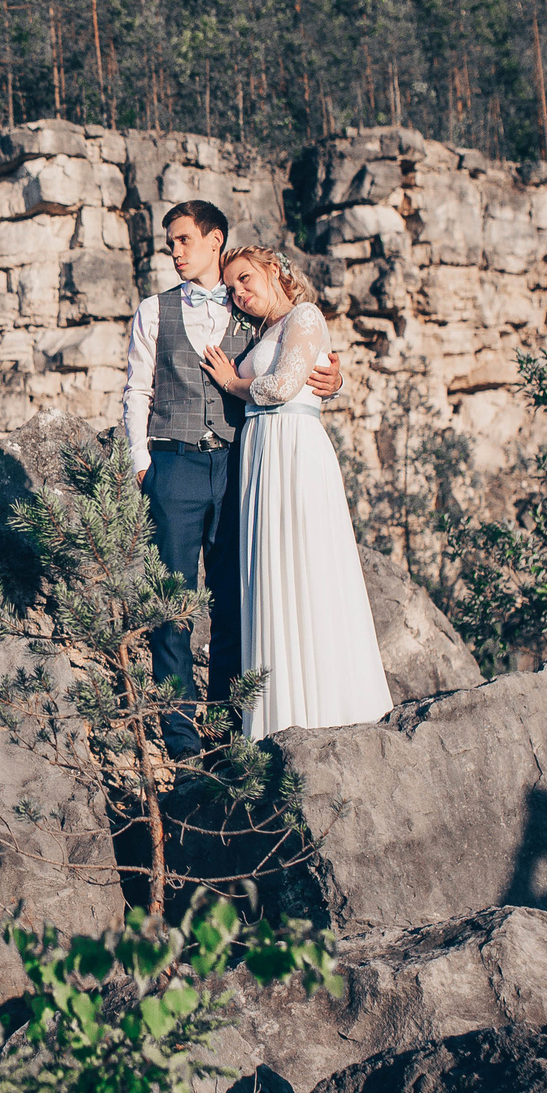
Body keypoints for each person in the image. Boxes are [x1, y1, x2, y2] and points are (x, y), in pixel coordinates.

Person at [120, 202, 341, 752]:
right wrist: (141, 463)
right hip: (173, 465)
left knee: (234, 603)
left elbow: (296, 352)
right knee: (171, 604)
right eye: (170, 243)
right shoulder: (153, 310)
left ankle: (225, 735)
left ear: (214, 239)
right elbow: (137, 390)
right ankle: (180, 742)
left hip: (240, 465)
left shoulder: (252, 307)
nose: (174, 252)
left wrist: (333, 379)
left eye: (183, 240)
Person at [204, 244, 392, 738]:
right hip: (261, 452)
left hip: (293, 447)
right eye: (232, 288)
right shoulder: (260, 331)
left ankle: (324, 707)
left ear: (273, 270)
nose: (239, 293)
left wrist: (231, 382)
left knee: (306, 564)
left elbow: (283, 386)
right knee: (270, 573)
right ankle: (278, 713)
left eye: (246, 279)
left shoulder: (304, 315)